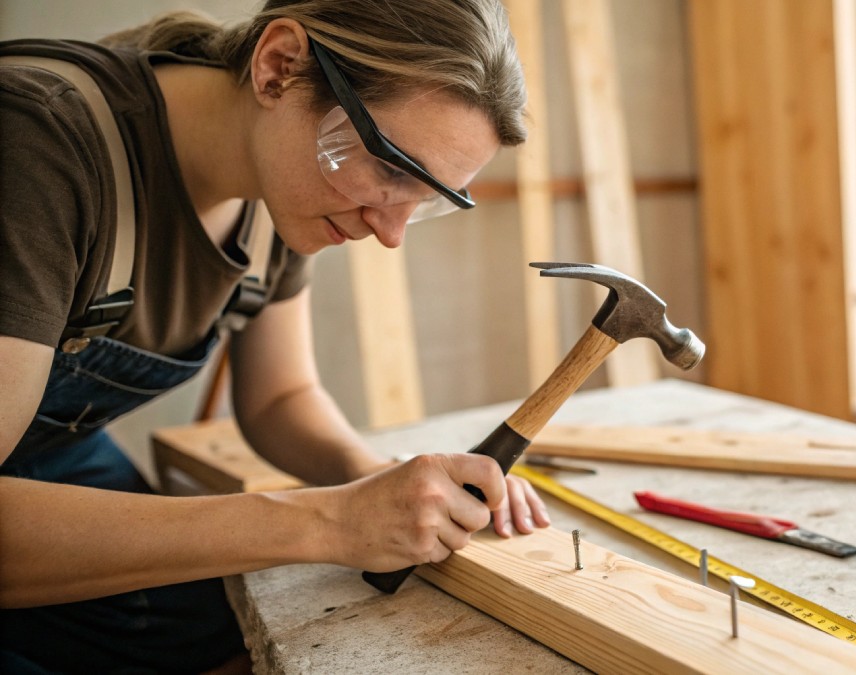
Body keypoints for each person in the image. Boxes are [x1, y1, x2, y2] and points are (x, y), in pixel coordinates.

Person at [0, 0, 551, 671]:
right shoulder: (38, 144)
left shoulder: (282, 192)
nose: (390, 231)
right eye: (392, 169)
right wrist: (331, 520)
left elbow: (279, 396)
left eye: (428, 197)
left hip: (56, 454)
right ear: (279, 67)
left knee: (227, 636)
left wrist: (375, 480)